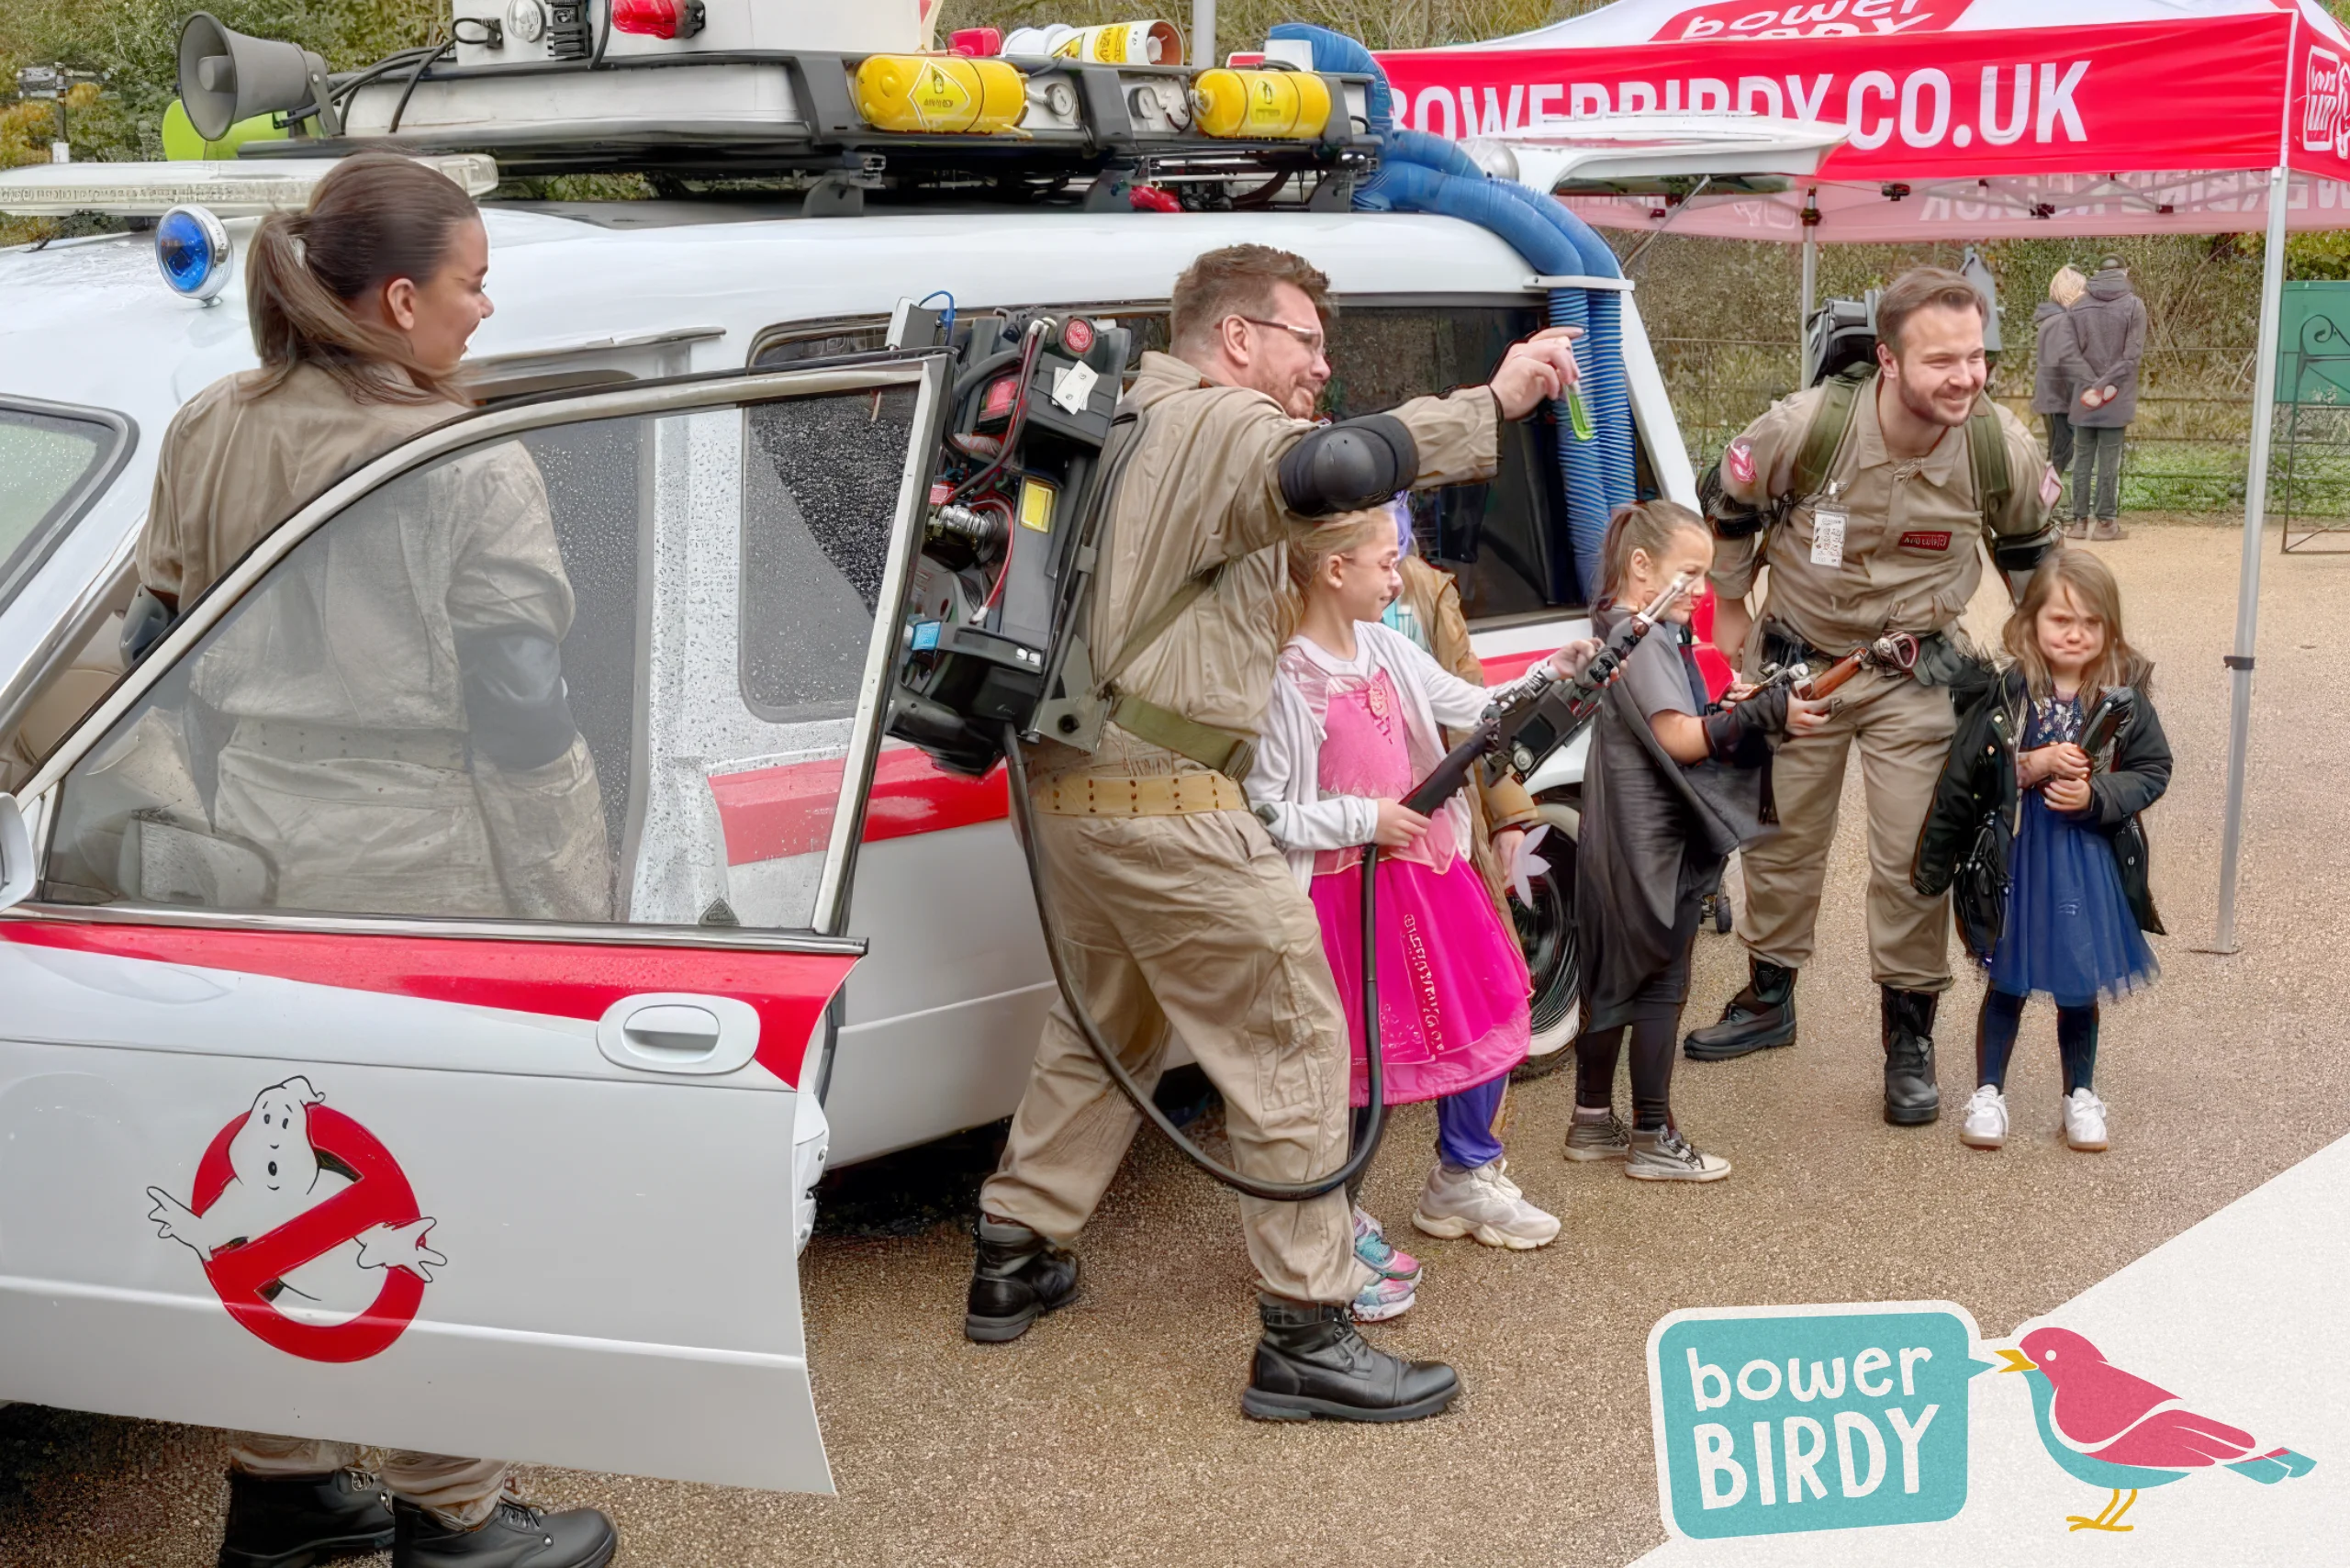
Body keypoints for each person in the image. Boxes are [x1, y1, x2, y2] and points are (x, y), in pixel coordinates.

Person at [964, 243, 1588, 1424]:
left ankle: (1018, 1245)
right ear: (1238, 336)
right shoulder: (1214, 418)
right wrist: (1493, 401)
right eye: (1306, 339)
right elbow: (1342, 463)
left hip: (1068, 788)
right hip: (1166, 797)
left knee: (1107, 1021)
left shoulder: (1119, 418)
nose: (1321, 364)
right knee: (1297, 1038)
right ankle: (1307, 1332)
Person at [134, 152, 616, 1568]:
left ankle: (282, 1484)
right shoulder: (458, 453)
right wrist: (568, 905)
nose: (485, 307)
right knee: (426, 1189)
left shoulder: (209, 427)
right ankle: (456, 1517)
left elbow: (153, 650)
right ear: (402, 297)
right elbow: (522, 705)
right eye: (472, 282)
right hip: (417, 854)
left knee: (274, 1175)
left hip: (251, 835)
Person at [1687, 265, 2059, 1126]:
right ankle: (1767, 998)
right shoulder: (1807, 427)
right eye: (1942, 360)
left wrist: (2044, 664)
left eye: (1977, 358)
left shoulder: (1998, 445)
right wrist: (1733, 621)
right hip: (1802, 664)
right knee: (1780, 840)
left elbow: (2033, 553)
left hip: (1916, 671)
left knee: (1916, 854)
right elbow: (1731, 503)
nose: (1966, 377)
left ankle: (1910, 1040)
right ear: (1888, 360)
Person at [1248, 510, 1587, 1297]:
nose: (1399, 579)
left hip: (1423, 878)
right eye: (1386, 563)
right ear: (1336, 570)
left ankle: (1453, 1181)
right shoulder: (1288, 678)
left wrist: (1552, 671)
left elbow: (1471, 705)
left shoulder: (1384, 645)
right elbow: (1268, 810)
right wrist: (1364, 818)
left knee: (1482, 1010)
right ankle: (1333, 1224)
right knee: (1352, 1070)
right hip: (1346, 896)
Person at [1568, 502, 1825, 1182]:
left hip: (1615, 833)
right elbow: (1679, 739)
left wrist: (1729, 707)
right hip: (1656, 842)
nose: (1705, 592)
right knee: (1660, 985)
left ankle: (1591, 1122)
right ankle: (1654, 1136)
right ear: (1642, 567)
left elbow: (1671, 722)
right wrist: (1760, 714)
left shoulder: (1617, 626)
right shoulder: (1646, 636)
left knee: (1609, 980)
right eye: (1692, 574)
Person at [1914, 549, 2169, 1154]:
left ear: (2110, 627)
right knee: (2007, 982)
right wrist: (2031, 764)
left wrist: (2098, 792)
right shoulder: (2009, 691)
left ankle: (2080, 1096)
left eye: (2090, 622)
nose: (2075, 633)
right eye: (2061, 620)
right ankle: (1988, 1094)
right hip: (2018, 861)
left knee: (2079, 984)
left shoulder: (2122, 697)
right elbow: (1967, 771)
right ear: (2032, 624)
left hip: (2087, 866)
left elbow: (2153, 770)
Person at [2055, 254, 2147, 543]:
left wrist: (2090, 385)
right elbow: (2131, 357)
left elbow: (2067, 357)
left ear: (2097, 274)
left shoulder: (2077, 308)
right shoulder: (2134, 306)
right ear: (2124, 272)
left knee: (2082, 458)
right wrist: (2105, 384)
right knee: (2109, 460)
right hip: (2115, 397)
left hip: (2084, 396)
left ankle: (2079, 523)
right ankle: (2106, 524)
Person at [2032, 266, 2087, 534]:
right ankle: (2040, 508)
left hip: (2052, 395)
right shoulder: (2062, 321)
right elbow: (2065, 361)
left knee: (2056, 453)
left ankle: (2040, 506)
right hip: (2059, 398)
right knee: (2061, 454)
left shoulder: (2050, 320)